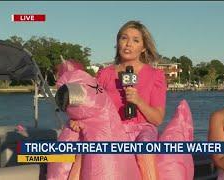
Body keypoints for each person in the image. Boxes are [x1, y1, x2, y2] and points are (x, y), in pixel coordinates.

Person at [70, 20, 166, 180]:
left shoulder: (155, 75)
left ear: (143, 48)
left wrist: (138, 101)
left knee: (145, 148)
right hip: (111, 130)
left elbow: (157, 119)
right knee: (84, 151)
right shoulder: (104, 74)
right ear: (117, 42)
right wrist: (78, 119)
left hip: (143, 130)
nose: (128, 44)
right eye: (124, 38)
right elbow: (92, 108)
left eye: (135, 40)